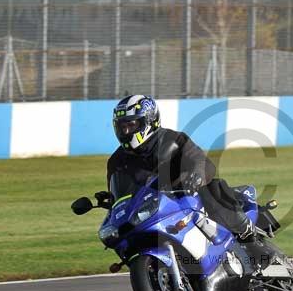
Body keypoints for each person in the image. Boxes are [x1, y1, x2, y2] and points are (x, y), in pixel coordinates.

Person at [102, 94, 254, 240]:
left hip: (185, 198)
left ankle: (245, 230)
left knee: (211, 188)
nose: (126, 131)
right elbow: (119, 193)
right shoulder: (116, 161)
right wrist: (110, 200)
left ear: (149, 121)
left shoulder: (173, 140)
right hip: (151, 211)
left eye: (131, 124)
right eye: (122, 127)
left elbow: (202, 162)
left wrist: (197, 176)